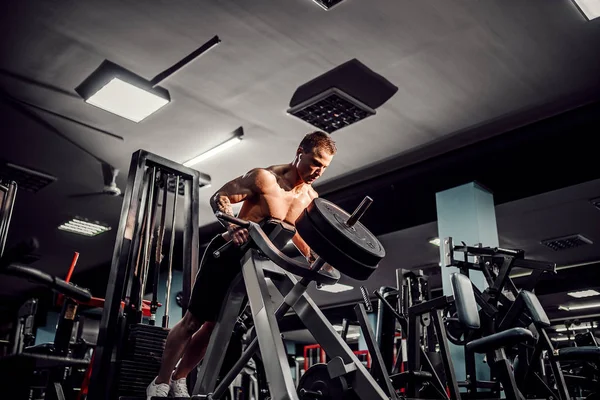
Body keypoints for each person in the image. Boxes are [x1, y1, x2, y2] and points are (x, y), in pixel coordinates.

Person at [147, 130, 337, 398]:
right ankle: (161, 382)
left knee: (215, 328)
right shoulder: (265, 178)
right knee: (193, 321)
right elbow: (220, 197)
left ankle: (181, 378)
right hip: (227, 253)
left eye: (324, 167)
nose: (319, 171)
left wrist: (311, 256)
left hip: (254, 265)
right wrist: (231, 223)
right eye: (315, 162)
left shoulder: (310, 198)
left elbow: (297, 232)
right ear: (300, 152)